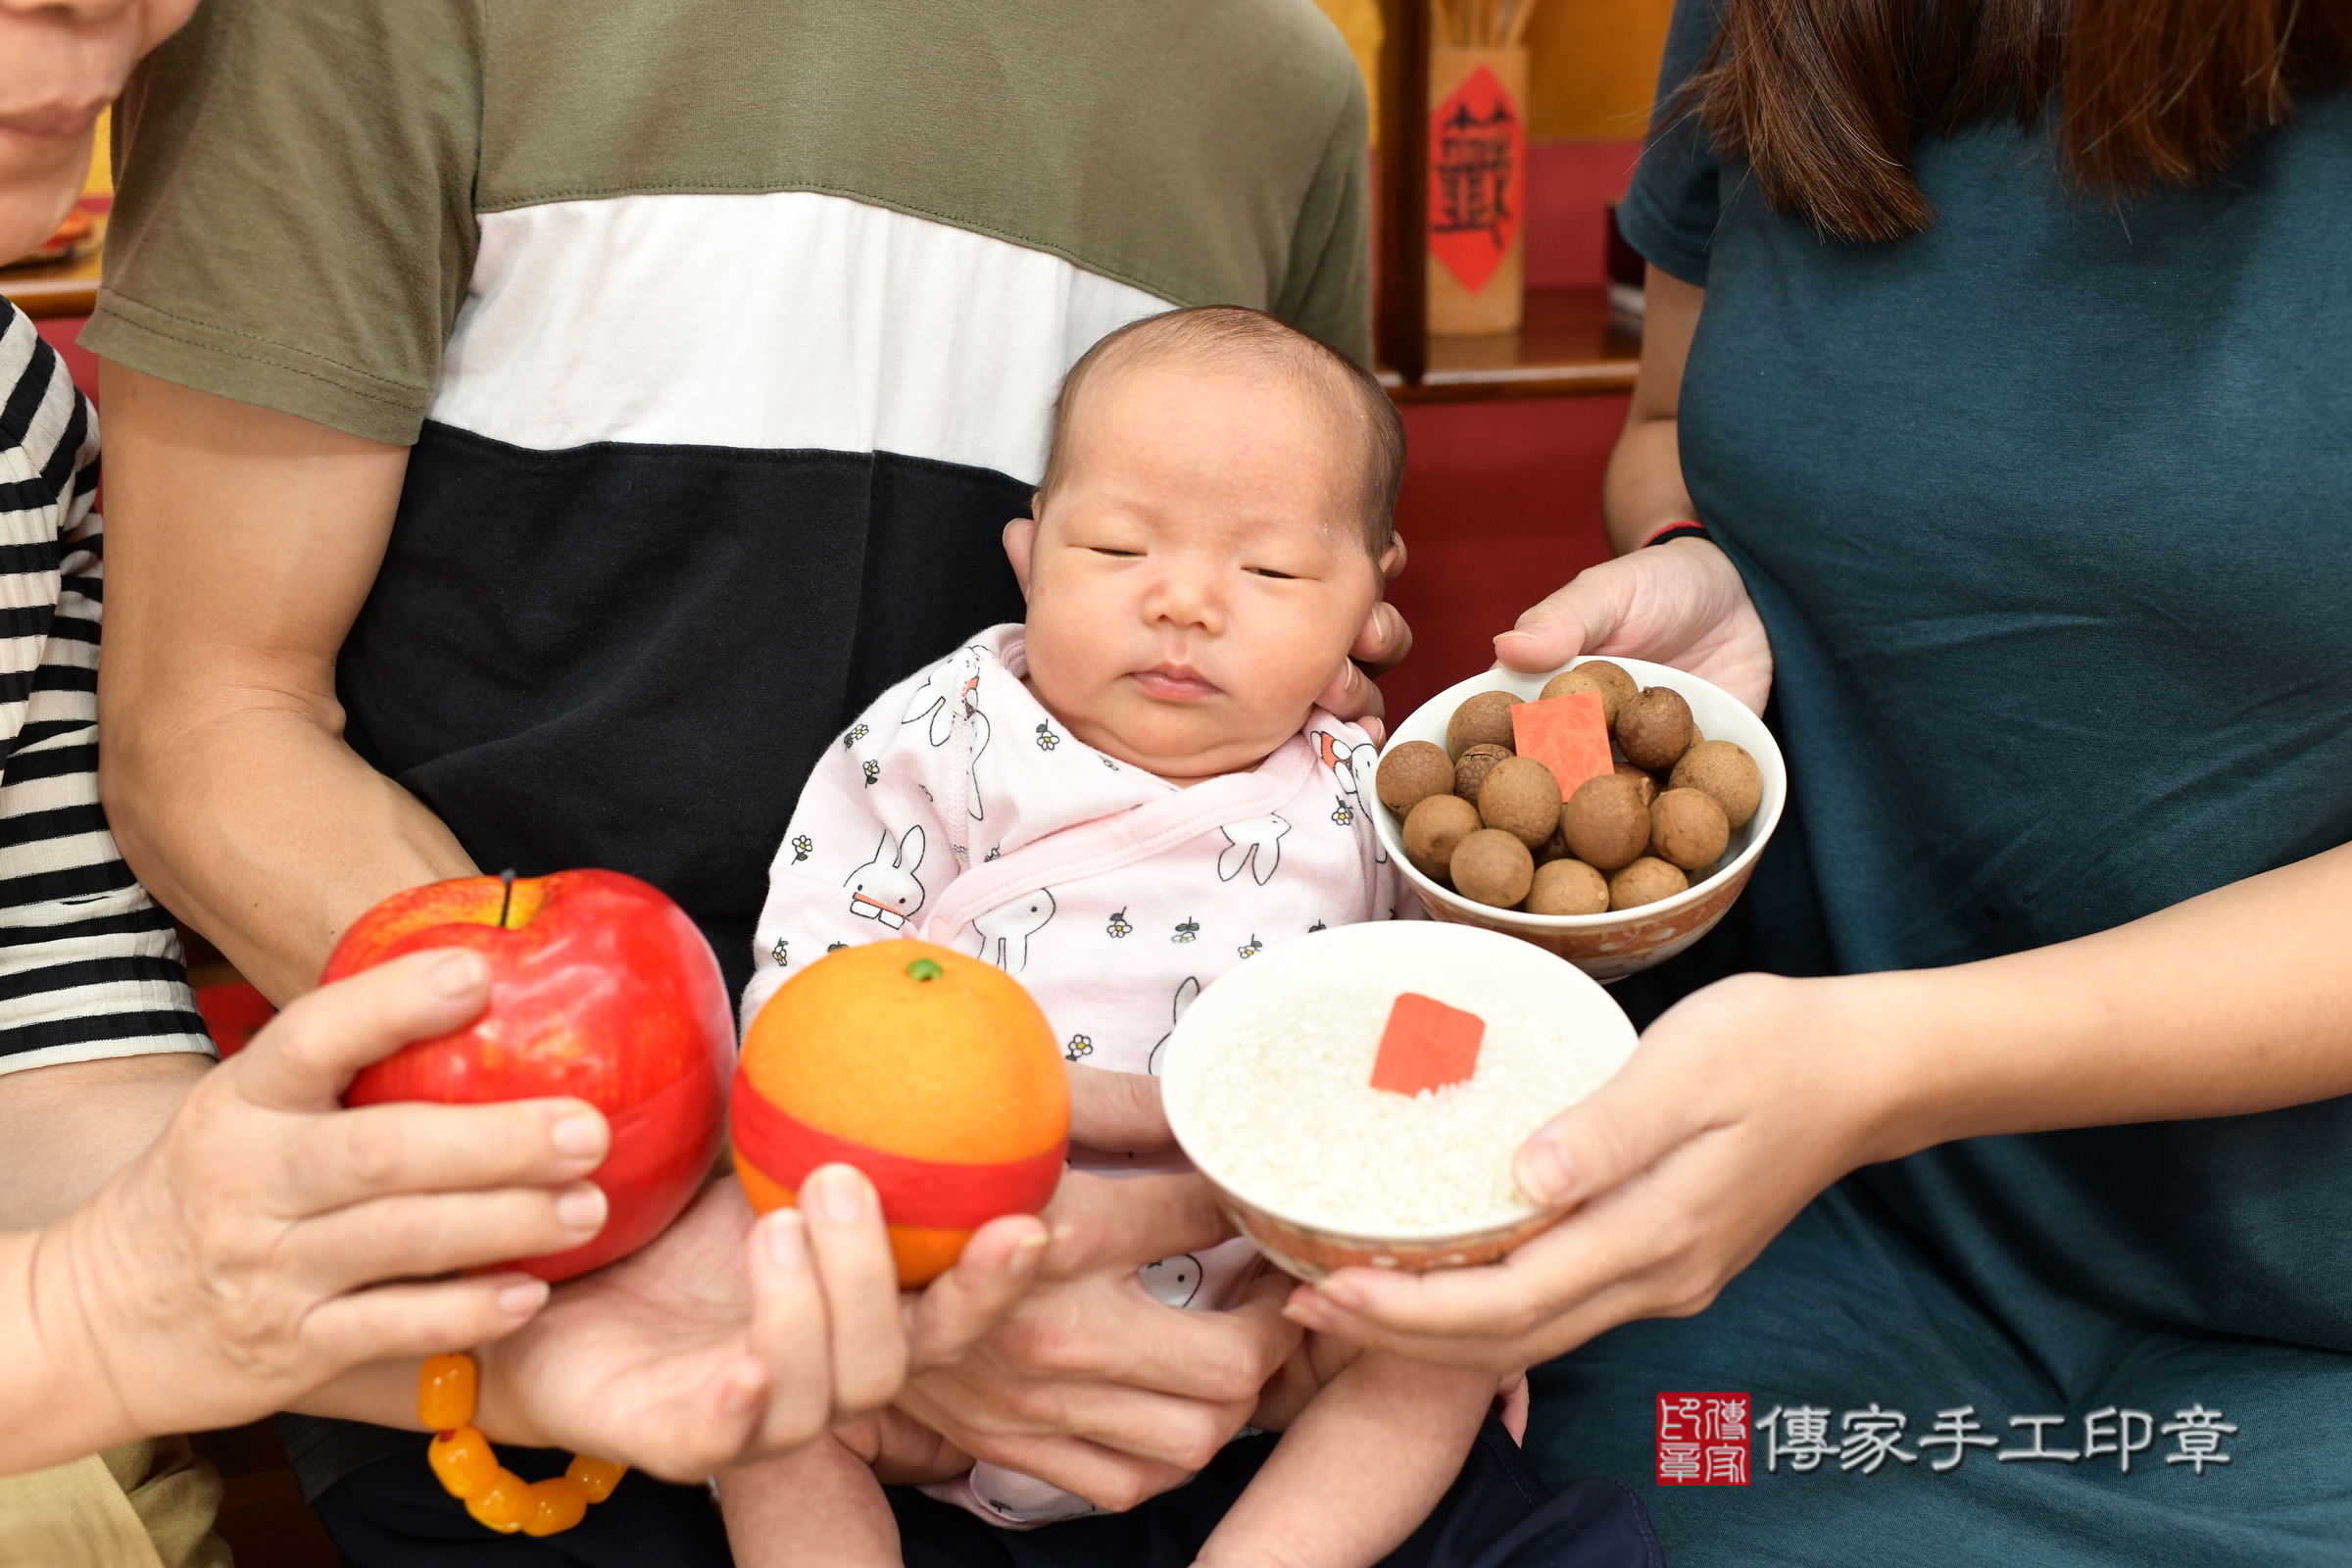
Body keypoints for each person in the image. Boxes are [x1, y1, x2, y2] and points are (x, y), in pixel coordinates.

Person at [84, 0, 1411, 1558]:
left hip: (1187, 1324)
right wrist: (785, 1214)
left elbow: (1303, 609)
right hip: (564, 1279)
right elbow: (212, 732)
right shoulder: (347, 21)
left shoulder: (1282, 86)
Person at [1274, 1, 2352, 1563]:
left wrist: (1879, 1068)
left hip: (2278, 1324)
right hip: (1754, 1221)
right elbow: (1668, 425)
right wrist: (1701, 566)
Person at [723, 307, 1555, 1568]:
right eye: (1116, 547)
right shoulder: (946, 736)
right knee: (765, 1399)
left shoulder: (1369, 793)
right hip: (936, 1305)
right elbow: (810, 972)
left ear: (1368, 603)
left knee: (1444, 1346)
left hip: (1259, 1337)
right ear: (1028, 551)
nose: (1181, 600)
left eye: (1268, 572)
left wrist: (1454, 1247)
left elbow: (1426, 1030)